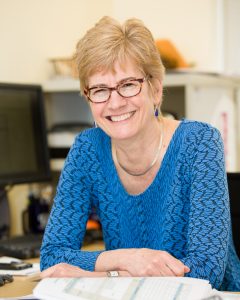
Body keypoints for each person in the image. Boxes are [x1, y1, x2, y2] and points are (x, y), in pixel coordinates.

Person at [40, 16, 240, 291]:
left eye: (128, 84)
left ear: (155, 89)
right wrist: (129, 259)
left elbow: (207, 271)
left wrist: (109, 274)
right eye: (100, 90)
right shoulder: (86, 149)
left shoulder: (200, 142)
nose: (115, 102)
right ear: (88, 98)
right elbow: (52, 257)